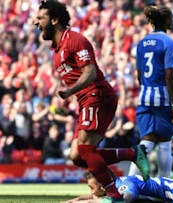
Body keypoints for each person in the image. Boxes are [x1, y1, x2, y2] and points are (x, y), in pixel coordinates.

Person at [34, 1, 149, 202]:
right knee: (77, 156)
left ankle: (114, 195)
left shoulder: (75, 40)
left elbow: (90, 71)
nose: (36, 22)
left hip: (97, 96)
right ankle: (132, 153)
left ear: (54, 20)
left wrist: (71, 90)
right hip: (86, 100)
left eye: (40, 18)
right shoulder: (57, 49)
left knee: (86, 150)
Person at [129, 5, 173, 178]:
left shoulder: (142, 42)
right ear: (166, 20)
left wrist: (145, 90)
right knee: (165, 142)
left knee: (146, 140)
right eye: (171, 18)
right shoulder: (169, 43)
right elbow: (169, 76)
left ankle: (129, 185)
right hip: (162, 98)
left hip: (144, 97)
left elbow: (139, 74)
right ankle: (164, 187)